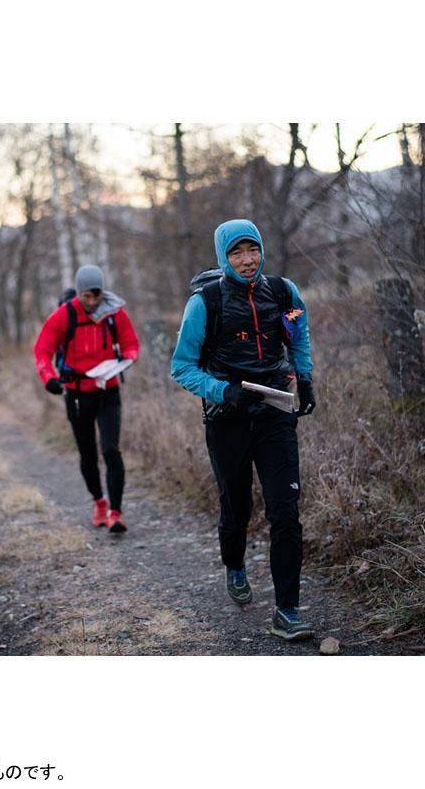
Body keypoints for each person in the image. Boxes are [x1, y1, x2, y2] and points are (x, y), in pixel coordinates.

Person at [171, 219, 316, 641]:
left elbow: (298, 334)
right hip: (228, 419)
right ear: (223, 257)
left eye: (252, 250)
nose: (247, 260)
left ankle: (287, 611)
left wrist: (304, 379)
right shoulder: (205, 302)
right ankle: (234, 564)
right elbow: (181, 367)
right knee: (236, 508)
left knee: (285, 513)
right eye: (236, 253)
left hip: (275, 413)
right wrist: (224, 390)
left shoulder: (284, 292)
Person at [33, 265, 140, 533]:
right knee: (88, 454)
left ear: (102, 292)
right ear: (78, 293)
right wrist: (50, 379)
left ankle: (116, 513)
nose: (92, 302)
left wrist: (126, 360)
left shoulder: (114, 313)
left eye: (96, 296)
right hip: (77, 393)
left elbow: (131, 345)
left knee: (111, 450)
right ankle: (99, 502)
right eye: (86, 297)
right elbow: (42, 350)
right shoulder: (63, 316)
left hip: (108, 390)